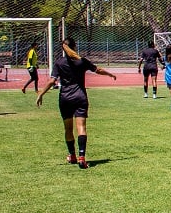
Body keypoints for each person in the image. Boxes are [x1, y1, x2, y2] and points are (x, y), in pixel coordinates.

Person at [36, 37, 117, 169]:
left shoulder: (59, 63)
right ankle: (82, 158)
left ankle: (72, 155)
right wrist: (110, 74)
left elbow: (52, 81)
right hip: (80, 97)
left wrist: (41, 94)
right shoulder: (82, 62)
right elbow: (98, 70)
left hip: (65, 98)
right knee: (81, 128)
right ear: (75, 46)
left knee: (68, 129)